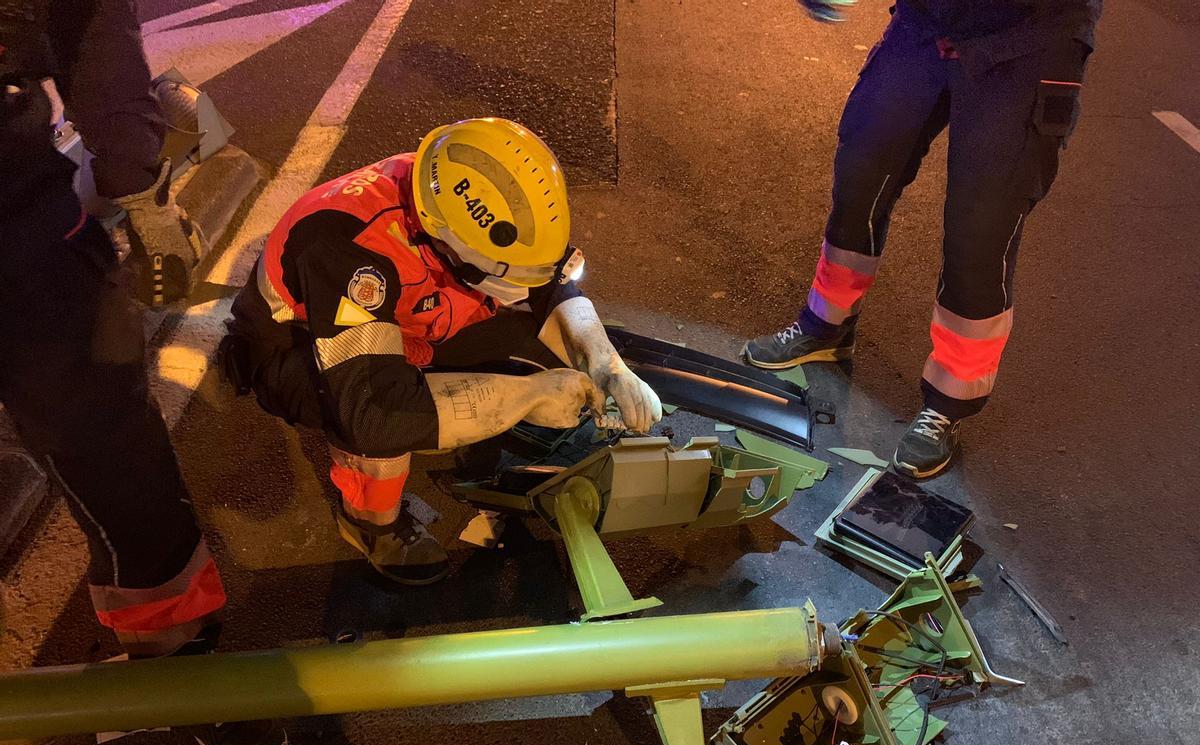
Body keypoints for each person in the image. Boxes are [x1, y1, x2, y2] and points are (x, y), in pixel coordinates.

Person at [1, 0, 285, 745]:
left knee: (109, 444)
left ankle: (174, 652)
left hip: (12, 210)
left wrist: (141, 191)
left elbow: (84, 19)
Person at [220, 117, 663, 584]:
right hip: (301, 347)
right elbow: (375, 411)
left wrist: (605, 362)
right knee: (378, 433)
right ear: (445, 240)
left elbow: (548, 282)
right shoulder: (348, 247)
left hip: (410, 318)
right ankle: (370, 524)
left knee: (553, 358)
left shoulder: (467, 196)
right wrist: (528, 397)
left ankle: (493, 415)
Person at [744, 0, 1103, 478]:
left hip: (1030, 42)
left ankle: (950, 401)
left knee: (980, 229)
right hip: (926, 22)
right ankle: (827, 325)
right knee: (862, 173)